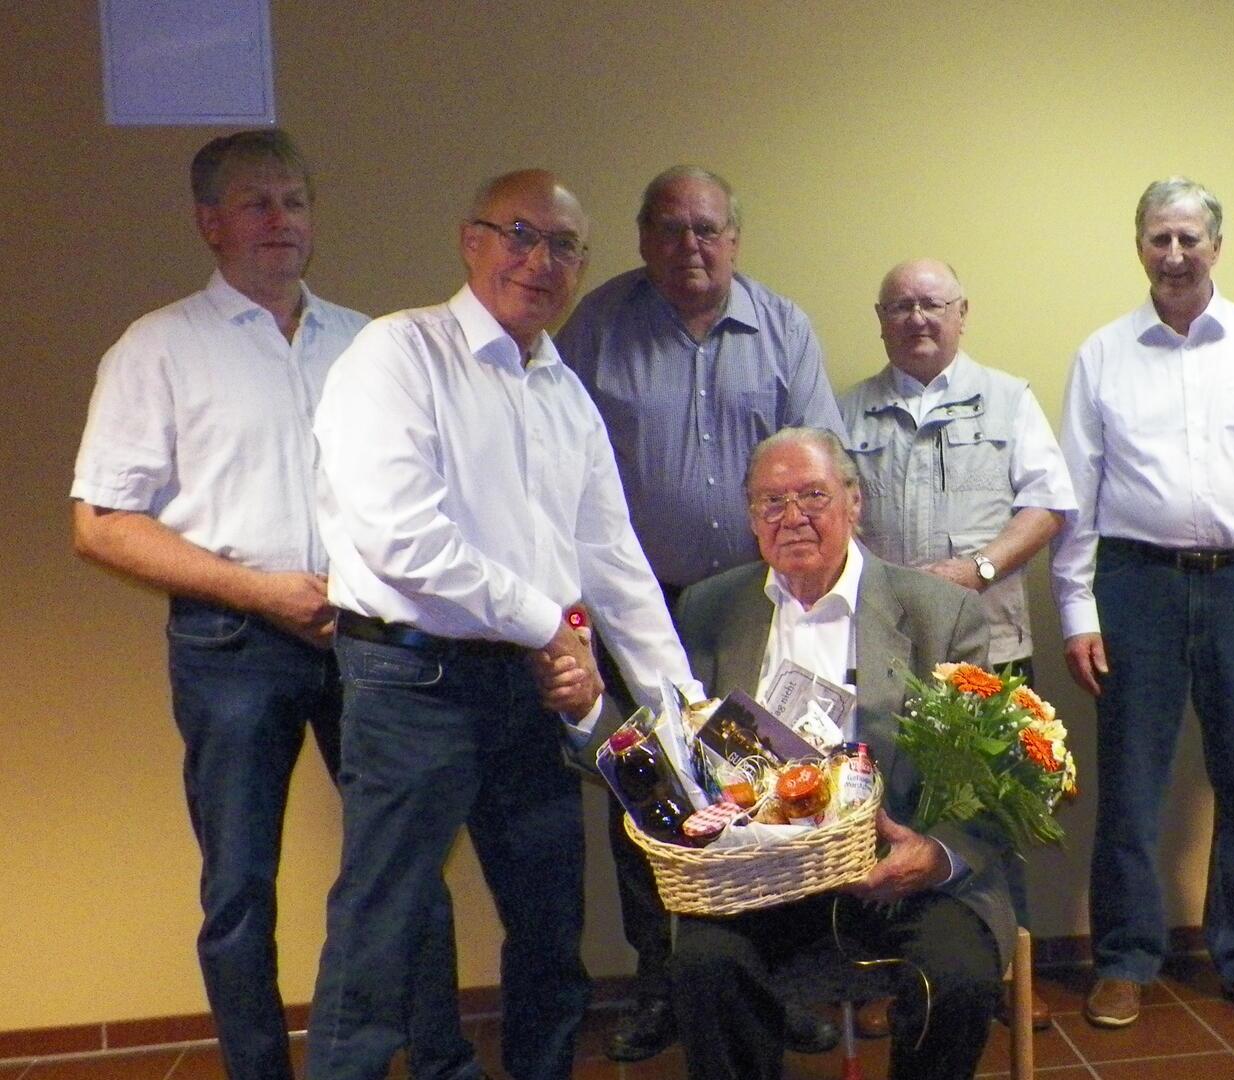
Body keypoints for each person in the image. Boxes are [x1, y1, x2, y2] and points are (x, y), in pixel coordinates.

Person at [69, 130, 473, 1080]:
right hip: (229, 645)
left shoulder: (371, 345)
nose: (281, 222)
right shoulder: (157, 349)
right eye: (257, 204)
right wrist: (262, 591)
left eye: (294, 201)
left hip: (369, 640)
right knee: (240, 887)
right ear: (210, 223)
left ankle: (442, 1062)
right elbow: (100, 525)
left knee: (403, 868)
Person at [304, 169, 696, 1080]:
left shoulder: (564, 392)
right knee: (382, 931)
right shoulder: (396, 354)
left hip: (531, 696)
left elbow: (614, 561)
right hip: (413, 687)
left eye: (563, 245)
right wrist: (545, 625)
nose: (540, 259)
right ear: (470, 239)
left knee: (552, 936)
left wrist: (683, 711)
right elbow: (402, 539)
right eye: (519, 233)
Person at [554, 164, 846, 1061]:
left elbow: (819, 464)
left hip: (754, 605)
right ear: (645, 239)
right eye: (673, 229)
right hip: (637, 605)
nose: (692, 246)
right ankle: (660, 985)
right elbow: (553, 468)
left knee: (770, 780)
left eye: (709, 229)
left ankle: (780, 980)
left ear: (735, 238)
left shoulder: (783, 328)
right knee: (645, 794)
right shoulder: (597, 327)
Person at [1051, 176, 1234, 1029]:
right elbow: (1078, 495)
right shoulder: (1103, 353)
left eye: (1188, 238)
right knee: (1132, 783)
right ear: (1137, 245)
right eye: (1157, 239)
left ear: (1218, 244)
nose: (1173, 255)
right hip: (1134, 583)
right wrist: (1078, 610)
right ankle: (1125, 959)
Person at [666, 426, 1015, 1080]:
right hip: (760, 877)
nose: (792, 517)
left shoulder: (943, 614)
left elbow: (988, 776)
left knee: (958, 981)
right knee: (701, 967)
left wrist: (934, 854)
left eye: (813, 496)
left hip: (900, 869)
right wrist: (582, 709)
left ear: (854, 503)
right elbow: (676, 747)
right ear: (750, 517)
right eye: (771, 502)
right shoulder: (710, 608)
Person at [838, 258, 1077, 1033]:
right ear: (880, 319)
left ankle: (1010, 973)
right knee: (882, 811)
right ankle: (890, 977)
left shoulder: (1009, 399)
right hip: (883, 654)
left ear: (962, 312)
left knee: (995, 816)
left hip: (987, 646)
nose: (917, 318)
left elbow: (1047, 505)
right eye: (900, 306)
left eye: (932, 304)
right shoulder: (846, 414)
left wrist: (973, 571)